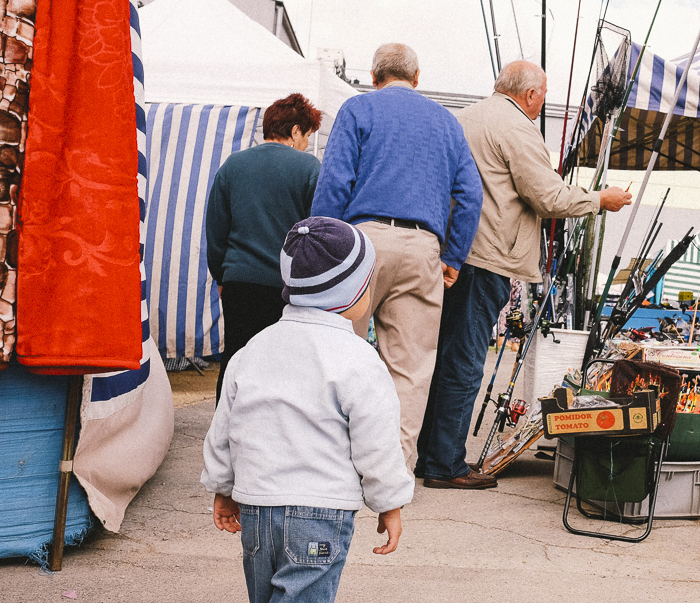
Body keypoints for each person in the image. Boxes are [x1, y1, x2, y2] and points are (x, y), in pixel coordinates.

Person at [202, 217, 414, 603]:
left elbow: (226, 426)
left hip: (257, 511)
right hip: (320, 516)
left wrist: (223, 485)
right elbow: (376, 442)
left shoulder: (254, 349)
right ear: (353, 293)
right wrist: (390, 503)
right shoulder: (358, 359)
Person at [415, 60, 632, 489]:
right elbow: (548, 195)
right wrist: (598, 199)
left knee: (441, 356)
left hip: (450, 253)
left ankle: (428, 454)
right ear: (530, 94)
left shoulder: (465, 118)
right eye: (544, 95)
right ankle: (446, 465)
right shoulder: (516, 127)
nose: (543, 102)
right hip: (488, 256)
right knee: (465, 361)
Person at [310, 43, 483, 469]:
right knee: (410, 370)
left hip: (362, 243)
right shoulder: (446, 122)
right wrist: (454, 256)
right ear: (417, 77)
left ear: (374, 76)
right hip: (424, 245)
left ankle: (334, 466)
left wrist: (321, 247)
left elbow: (334, 182)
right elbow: (471, 194)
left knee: (340, 355)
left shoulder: (358, 110)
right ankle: (395, 474)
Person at [205, 92, 322, 401]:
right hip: (287, 287)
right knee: (280, 366)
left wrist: (221, 275)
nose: (306, 143)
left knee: (235, 359)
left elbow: (216, 228)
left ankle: (225, 434)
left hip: (239, 281)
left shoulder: (233, 165)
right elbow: (317, 231)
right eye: (307, 135)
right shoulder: (310, 168)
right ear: (296, 130)